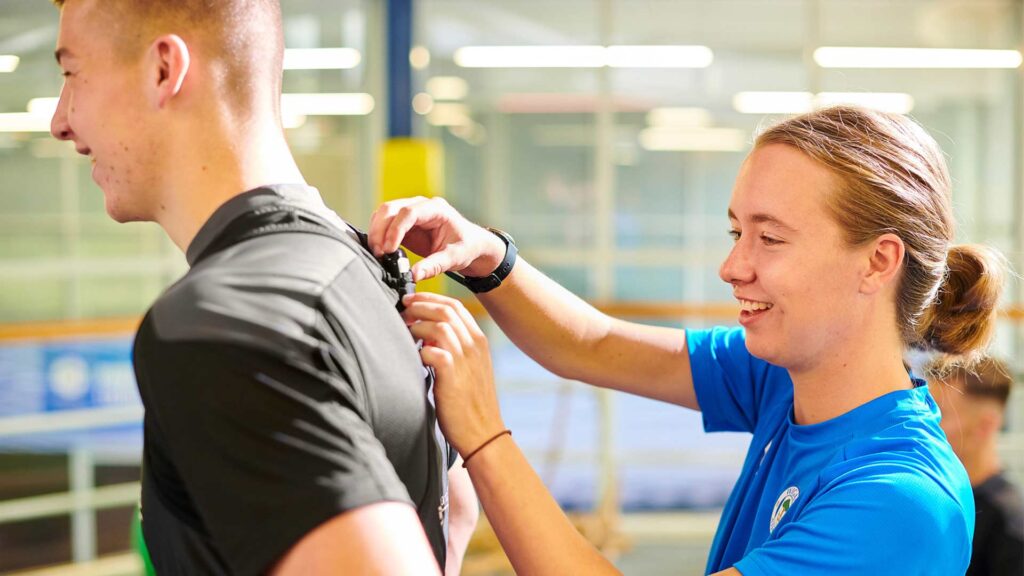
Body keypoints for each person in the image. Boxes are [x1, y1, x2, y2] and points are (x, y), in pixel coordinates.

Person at [369, 105, 1007, 575]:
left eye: (771, 237)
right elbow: (590, 346)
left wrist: (484, 436)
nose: (733, 267)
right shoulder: (784, 376)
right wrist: (486, 258)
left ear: (877, 262)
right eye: (737, 233)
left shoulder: (898, 502)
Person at [48, 1, 475, 574]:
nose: (60, 120)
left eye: (73, 74)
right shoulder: (361, 264)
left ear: (163, 70)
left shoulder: (223, 321)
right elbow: (459, 509)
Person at [930, 357, 1024, 575]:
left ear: (985, 425)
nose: (928, 423)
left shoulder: (1010, 526)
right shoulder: (934, 498)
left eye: (941, 413)